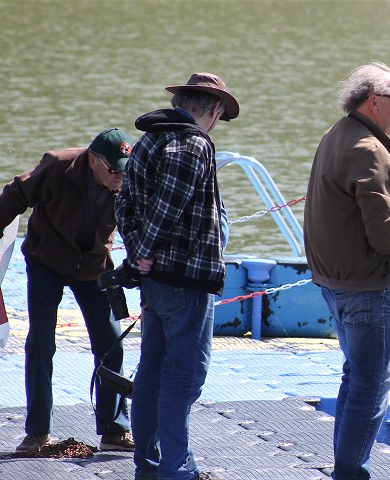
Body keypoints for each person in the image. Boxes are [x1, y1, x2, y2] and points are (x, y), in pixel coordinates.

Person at [303, 62, 390, 480]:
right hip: (368, 289)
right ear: (375, 102)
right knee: (371, 388)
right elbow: (384, 235)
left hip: (336, 284)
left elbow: (362, 213)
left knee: (356, 378)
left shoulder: (336, 133)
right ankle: (350, 472)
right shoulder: (368, 148)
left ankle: (346, 467)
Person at [0, 128, 137, 453]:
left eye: (125, 168)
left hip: (92, 266)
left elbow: (141, 225)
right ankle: (37, 433)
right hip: (46, 262)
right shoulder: (56, 166)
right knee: (41, 344)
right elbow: (15, 194)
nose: (120, 175)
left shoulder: (129, 180)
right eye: (114, 168)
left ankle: (114, 430)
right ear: (92, 160)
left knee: (110, 345)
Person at [115, 72, 238, 480]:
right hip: (186, 280)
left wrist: (137, 254)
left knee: (152, 371)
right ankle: (177, 468)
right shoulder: (193, 143)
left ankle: (149, 466)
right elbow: (169, 204)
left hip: (157, 283)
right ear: (214, 111)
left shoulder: (148, 140)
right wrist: (145, 253)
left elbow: (124, 206)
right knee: (185, 375)